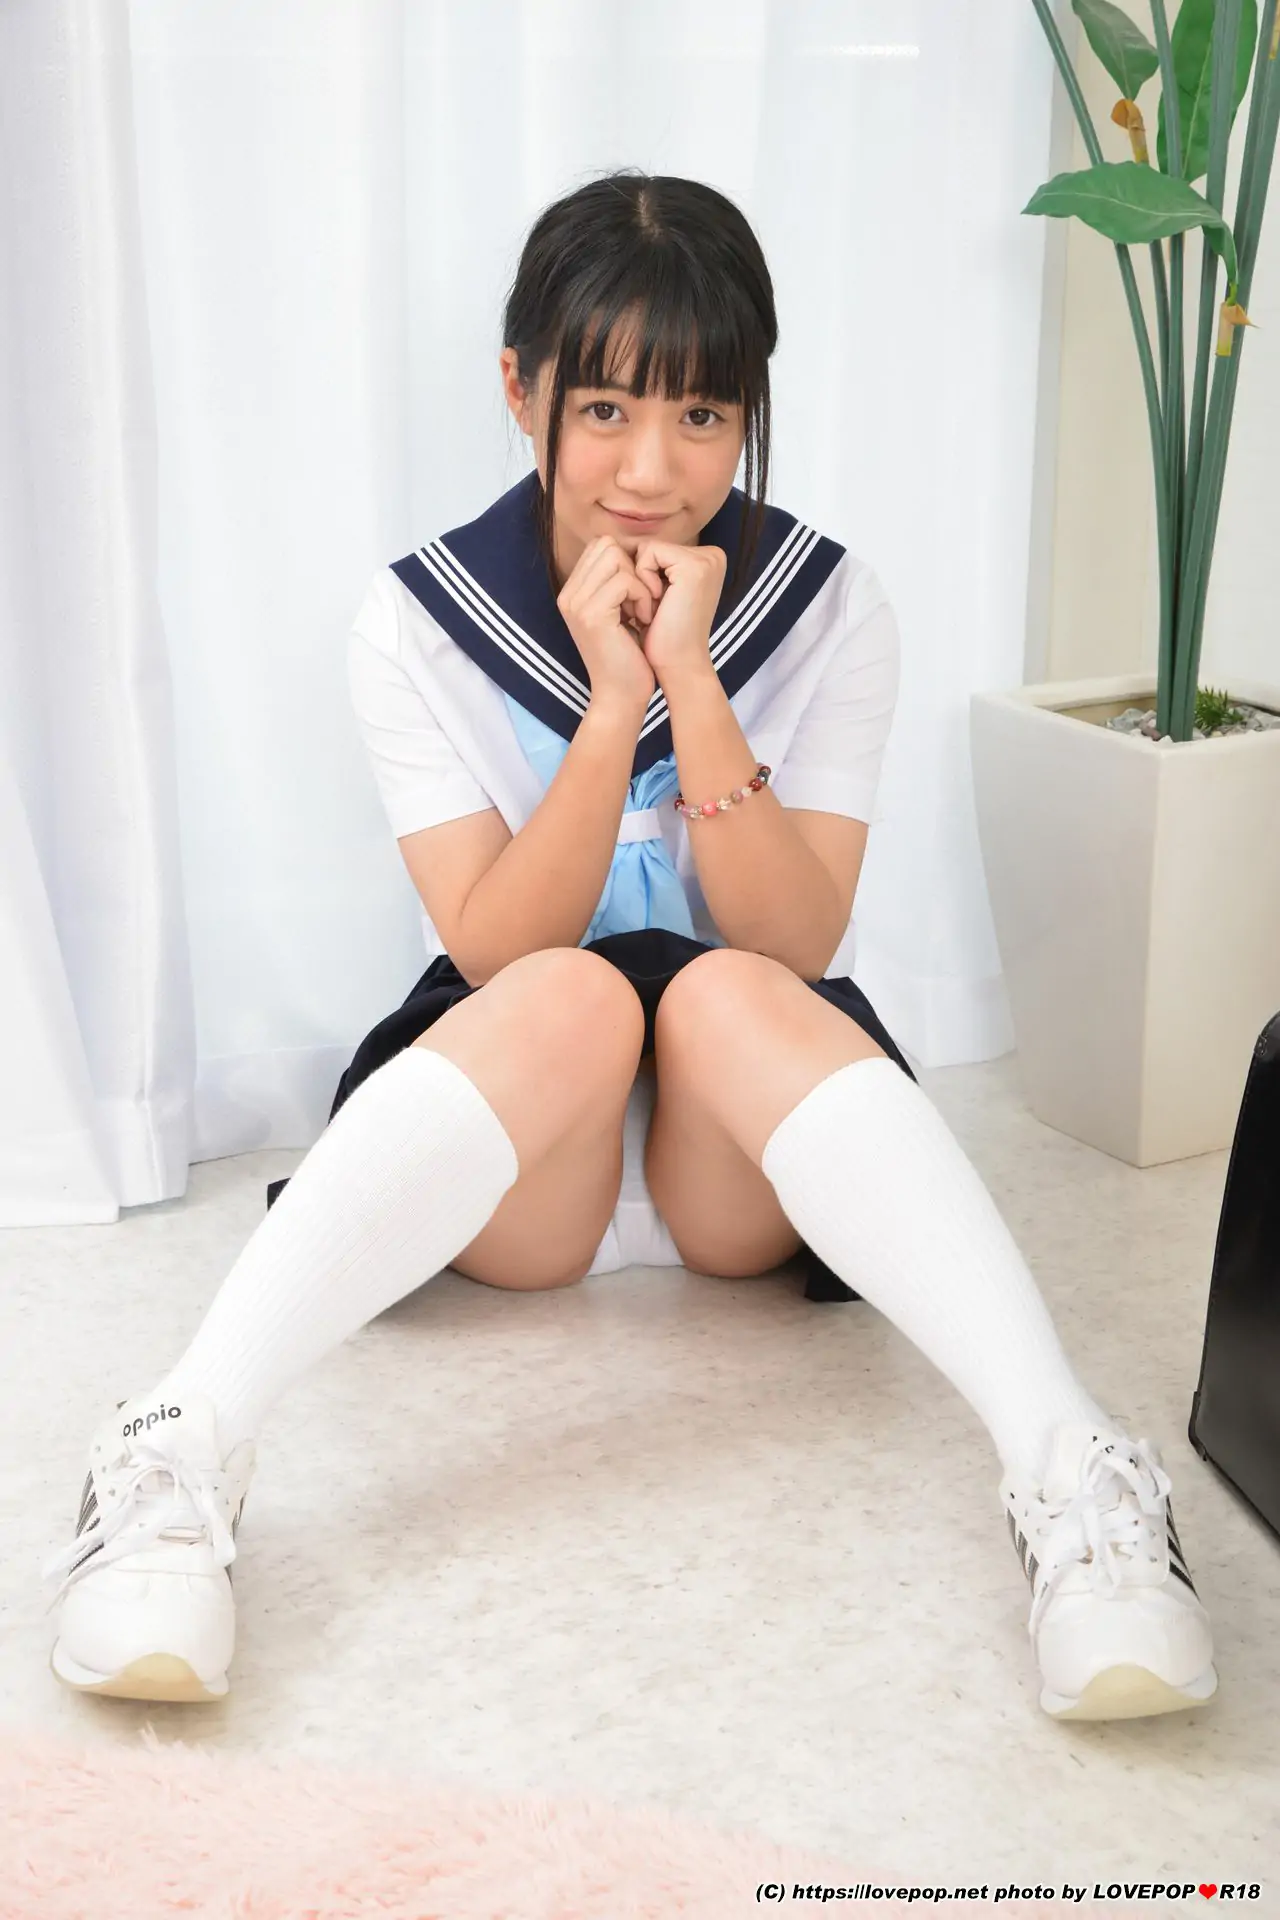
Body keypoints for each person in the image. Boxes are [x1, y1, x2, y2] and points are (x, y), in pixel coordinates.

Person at [43, 170, 1217, 1723]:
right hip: (514, 1147)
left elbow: (797, 936)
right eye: (602, 410)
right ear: (518, 388)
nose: (653, 472)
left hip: (753, 1157)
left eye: (704, 417)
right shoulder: (414, 623)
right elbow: (492, 945)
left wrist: (696, 679)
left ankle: (1077, 1475)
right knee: (575, 994)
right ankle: (174, 1447)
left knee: (724, 986)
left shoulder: (832, 606)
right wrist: (612, 707)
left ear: (750, 415)